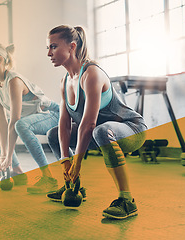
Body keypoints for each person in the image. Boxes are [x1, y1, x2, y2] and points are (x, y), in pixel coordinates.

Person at [45, 25, 147, 219]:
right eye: (48, 48)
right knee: (53, 134)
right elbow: (64, 123)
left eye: (53, 46)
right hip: (98, 131)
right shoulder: (64, 81)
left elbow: (88, 124)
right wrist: (65, 160)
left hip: (132, 129)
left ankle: (126, 200)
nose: (49, 53)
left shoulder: (91, 74)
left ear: (71, 47)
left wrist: (77, 163)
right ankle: (73, 186)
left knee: (101, 130)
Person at [0, 42, 60, 193]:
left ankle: (48, 178)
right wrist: (4, 155)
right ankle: (17, 172)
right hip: (32, 118)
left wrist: (9, 155)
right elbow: (2, 123)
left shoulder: (14, 81)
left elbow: (15, 120)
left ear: (0, 60)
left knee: (21, 125)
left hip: (52, 114)